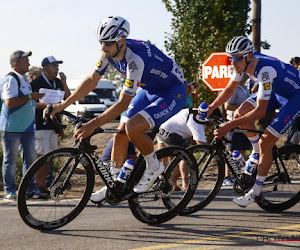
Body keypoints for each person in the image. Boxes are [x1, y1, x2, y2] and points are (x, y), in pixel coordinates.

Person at [48, 16, 186, 203]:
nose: (103, 48)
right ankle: (114, 184)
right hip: (149, 90)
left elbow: (122, 102)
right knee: (120, 135)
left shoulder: (135, 60)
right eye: (101, 42)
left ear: (121, 41)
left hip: (171, 93)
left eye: (108, 43)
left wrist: (92, 124)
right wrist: (62, 105)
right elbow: (92, 80)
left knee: (133, 127)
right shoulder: (108, 53)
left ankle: (154, 166)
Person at [208, 36, 300, 207]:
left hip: (294, 98)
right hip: (276, 91)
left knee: (266, 140)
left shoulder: (264, 70)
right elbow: (229, 90)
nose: (232, 62)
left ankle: (255, 191)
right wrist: (212, 107)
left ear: (248, 56)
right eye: (230, 58)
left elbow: (260, 111)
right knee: (238, 114)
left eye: (235, 58)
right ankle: (256, 153)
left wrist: (227, 126)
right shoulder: (243, 61)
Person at [0, 50, 44, 201]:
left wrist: (50, 105)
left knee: (30, 159)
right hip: (12, 127)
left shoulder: (24, 79)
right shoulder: (11, 79)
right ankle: (10, 191)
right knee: (11, 159)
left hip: (27, 127)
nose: (29, 63)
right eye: (26, 61)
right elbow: (10, 102)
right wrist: (32, 96)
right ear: (15, 63)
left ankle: (28, 189)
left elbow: (29, 103)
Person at [31, 56, 71, 195]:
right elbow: (32, 103)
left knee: (50, 157)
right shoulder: (37, 82)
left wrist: (65, 82)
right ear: (46, 68)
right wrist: (49, 105)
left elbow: (67, 97)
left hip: (53, 125)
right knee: (41, 156)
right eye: (54, 66)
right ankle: (37, 186)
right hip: (40, 125)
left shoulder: (58, 82)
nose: (57, 69)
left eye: (57, 66)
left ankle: (43, 186)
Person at [157, 107, 206, 190]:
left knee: (169, 160)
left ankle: (170, 182)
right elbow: (202, 145)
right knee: (185, 156)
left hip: (162, 129)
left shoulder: (192, 111)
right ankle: (184, 183)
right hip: (171, 134)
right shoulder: (197, 123)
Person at [223, 74, 252, 186]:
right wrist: (242, 109)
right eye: (244, 74)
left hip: (244, 123)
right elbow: (227, 106)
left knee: (243, 150)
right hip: (233, 123)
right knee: (232, 151)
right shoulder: (234, 88)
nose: (246, 76)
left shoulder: (245, 87)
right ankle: (227, 176)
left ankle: (237, 175)